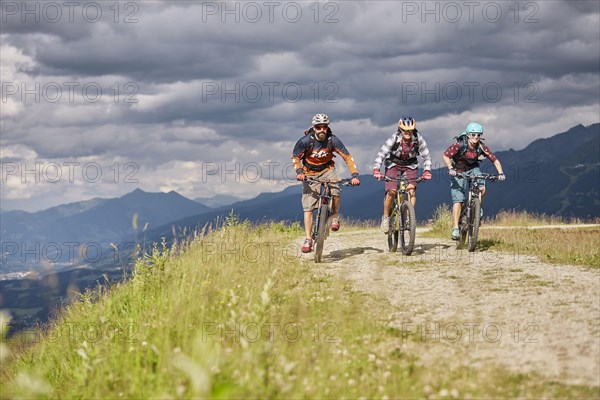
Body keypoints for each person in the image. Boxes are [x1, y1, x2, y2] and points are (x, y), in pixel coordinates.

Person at [291, 113, 360, 253]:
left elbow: (347, 157)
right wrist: (299, 172)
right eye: (318, 127)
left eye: (324, 127)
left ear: (328, 127)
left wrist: (354, 175)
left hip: (327, 169)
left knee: (335, 191)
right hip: (309, 172)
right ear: (314, 128)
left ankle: (334, 217)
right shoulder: (305, 141)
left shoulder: (333, 140)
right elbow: (295, 157)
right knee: (308, 207)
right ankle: (308, 239)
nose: (322, 130)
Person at [442, 122, 506, 240]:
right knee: (458, 200)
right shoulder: (459, 145)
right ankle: (456, 228)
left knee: (482, 187)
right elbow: (446, 155)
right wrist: (450, 168)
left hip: (473, 168)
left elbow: (494, 160)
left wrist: (501, 173)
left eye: (478, 135)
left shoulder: (481, 146)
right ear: (468, 135)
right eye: (473, 134)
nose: (476, 137)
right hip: (458, 169)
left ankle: (478, 206)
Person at [372, 116, 432, 234]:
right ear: (401, 129)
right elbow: (382, 154)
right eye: (405, 130)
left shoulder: (418, 139)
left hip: (410, 165)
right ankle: (386, 218)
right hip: (393, 164)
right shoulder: (394, 138)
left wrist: (427, 171)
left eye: (410, 130)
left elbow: (426, 156)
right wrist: (376, 169)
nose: (408, 133)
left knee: (411, 191)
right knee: (391, 192)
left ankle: (410, 217)